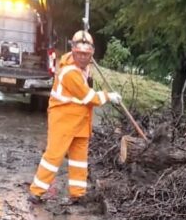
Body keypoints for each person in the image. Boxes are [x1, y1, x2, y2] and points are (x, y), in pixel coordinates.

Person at [29, 29, 121, 203]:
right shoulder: (69, 72)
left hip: (80, 121)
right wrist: (108, 96)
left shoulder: (83, 68)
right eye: (79, 54)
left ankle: (77, 194)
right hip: (63, 120)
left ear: (92, 53)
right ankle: (36, 191)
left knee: (79, 159)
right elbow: (88, 97)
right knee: (54, 156)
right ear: (73, 51)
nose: (83, 57)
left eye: (86, 54)